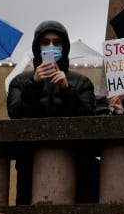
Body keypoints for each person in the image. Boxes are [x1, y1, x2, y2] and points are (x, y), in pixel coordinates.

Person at [7, 20, 97, 204]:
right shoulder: (20, 81)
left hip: (75, 163)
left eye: (57, 42)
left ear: (65, 47)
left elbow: (87, 118)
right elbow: (15, 113)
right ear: (36, 46)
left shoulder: (81, 82)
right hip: (30, 164)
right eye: (45, 42)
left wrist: (66, 89)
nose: (51, 46)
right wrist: (34, 84)